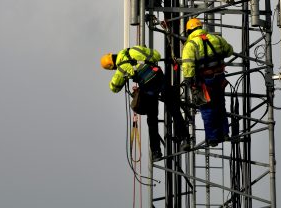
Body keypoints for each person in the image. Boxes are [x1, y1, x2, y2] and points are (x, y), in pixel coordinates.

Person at [100, 45, 189, 160]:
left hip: (148, 88)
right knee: (173, 108)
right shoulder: (134, 49)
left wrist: (124, 74)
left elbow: (114, 88)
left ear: (112, 66)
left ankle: (156, 152)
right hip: (159, 77)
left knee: (152, 120)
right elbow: (156, 56)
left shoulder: (121, 68)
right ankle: (185, 138)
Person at [181, 18, 233, 147]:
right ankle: (225, 133)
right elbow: (229, 51)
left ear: (189, 31)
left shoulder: (191, 45)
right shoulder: (217, 38)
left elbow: (188, 66)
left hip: (205, 81)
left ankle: (213, 138)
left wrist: (189, 81)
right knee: (220, 105)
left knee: (207, 109)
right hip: (219, 78)